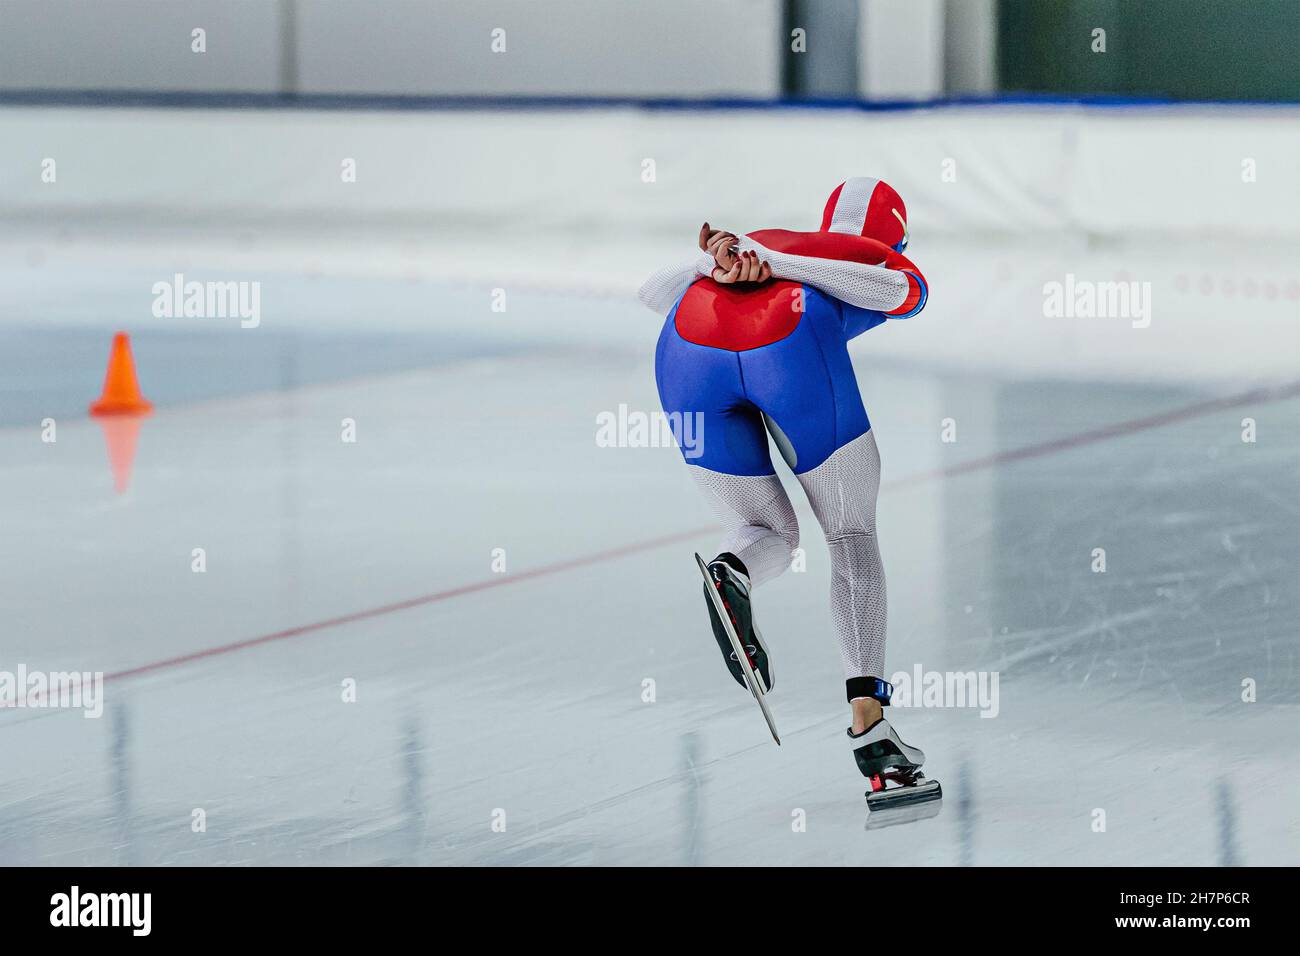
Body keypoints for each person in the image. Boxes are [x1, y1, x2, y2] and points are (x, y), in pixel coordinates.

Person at [638, 177, 932, 787]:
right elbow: (905, 293)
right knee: (850, 536)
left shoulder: (757, 239)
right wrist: (778, 266)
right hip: (789, 347)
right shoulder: (864, 251)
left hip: (683, 357)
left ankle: (733, 572)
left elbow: (650, 293)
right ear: (893, 232)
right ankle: (871, 728)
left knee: (761, 529)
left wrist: (714, 260)